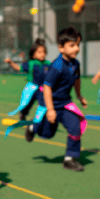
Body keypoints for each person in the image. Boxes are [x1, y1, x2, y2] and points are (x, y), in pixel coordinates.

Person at [24, 27, 88, 172]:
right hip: (50, 104)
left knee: (75, 127)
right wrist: (51, 110)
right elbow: (47, 87)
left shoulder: (75, 64)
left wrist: (79, 96)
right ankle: (33, 127)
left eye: (78, 45)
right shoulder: (57, 65)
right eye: (72, 45)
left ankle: (69, 159)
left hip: (65, 104)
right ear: (61, 48)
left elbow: (77, 80)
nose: (76, 49)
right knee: (48, 134)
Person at [4, 38, 50, 121]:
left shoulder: (47, 64)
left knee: (44, 104)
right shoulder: (31, 63)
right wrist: (10, 62)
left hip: (42, 89)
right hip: (32, 87)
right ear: (33, 55)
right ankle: (23, 114)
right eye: (39, 52)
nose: (42, 54)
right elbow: (18, 68)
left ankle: (41, 119)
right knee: (27, 103)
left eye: (44, 52)